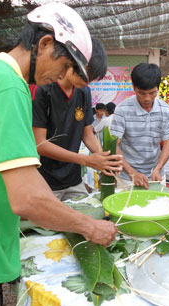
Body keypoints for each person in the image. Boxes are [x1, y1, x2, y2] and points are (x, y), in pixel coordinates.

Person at [0, 3, 117, 306]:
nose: (62, 76)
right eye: (65, 68)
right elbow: (27, 198)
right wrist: (89, 227)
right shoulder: (5, 85)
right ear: (46, 43)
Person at [32, 38, 122, 201]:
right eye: (85, 73)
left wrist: (104, 160)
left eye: (91, 77)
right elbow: (40, 144)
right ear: (72, 61)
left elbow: (87, 134)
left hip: (74, 180)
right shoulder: (43, 89)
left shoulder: (84, 92)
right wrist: (86, 160)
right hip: (45, 181)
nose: (86, 81)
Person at [110, 63, 169, 189]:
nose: (147, 98)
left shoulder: (165, 110)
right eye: (141, 93)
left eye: (152, 93)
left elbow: (168, 143)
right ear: (133, 87)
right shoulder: (122, 110)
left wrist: (158, 168)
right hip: (127, 176)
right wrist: (132, 173)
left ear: (158, 88)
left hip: (156, 175)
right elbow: (114, 146)